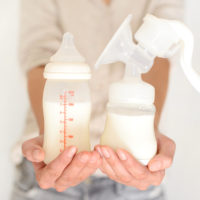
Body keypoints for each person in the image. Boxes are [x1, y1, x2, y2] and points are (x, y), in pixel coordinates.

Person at [11, 0, 184, 199]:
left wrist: (148, 129)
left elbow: (160, 52)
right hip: (50, 169)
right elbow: (39, 55)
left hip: (133, 173)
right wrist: (51, 134)